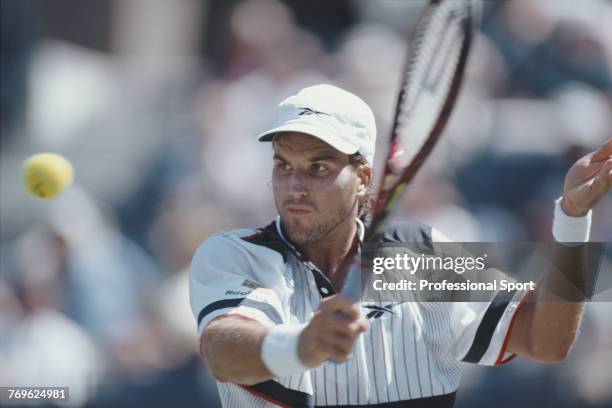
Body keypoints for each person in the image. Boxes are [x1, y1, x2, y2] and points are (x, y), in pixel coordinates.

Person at [189, 84, 611, 407]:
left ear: (364, 178)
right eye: (284, 166)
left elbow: (546, 340)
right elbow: (222, 350)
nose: (295, 186)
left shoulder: (424, 251)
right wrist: (303, 344)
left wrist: (572, 221)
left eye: (318, 167)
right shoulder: (232, 252)